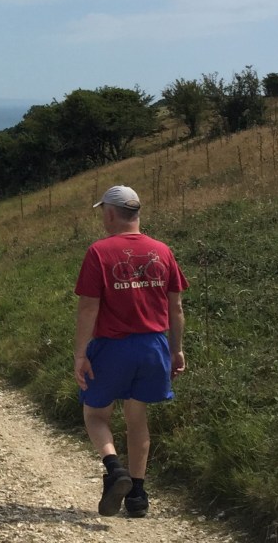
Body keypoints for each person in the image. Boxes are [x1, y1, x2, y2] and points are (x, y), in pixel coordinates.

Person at [73, 185, 187, 518]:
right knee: (137, 420)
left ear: (110, 213)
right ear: (136, 213)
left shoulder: (99, 252)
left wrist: (81, 354)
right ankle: (138, 496)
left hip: (112, 347)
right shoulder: (162, 251)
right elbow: (176, 307)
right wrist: (176, 351)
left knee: (95, 415)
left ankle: (114, 468)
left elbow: (88, 309)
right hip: (154, 346)